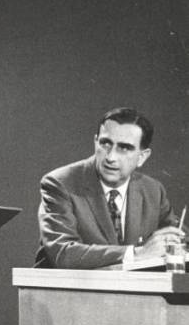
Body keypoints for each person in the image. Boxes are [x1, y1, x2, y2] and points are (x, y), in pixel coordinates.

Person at [36, 106, 185, 269]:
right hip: (67, 292)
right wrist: (136, 254)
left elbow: (178, 237)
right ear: (95, 142)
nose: (111, 157)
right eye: (105, 143)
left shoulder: (153, 190)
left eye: (124, 147)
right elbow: (63, 253)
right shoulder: (60, 183)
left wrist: (175, 242)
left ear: (142, 157)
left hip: (134, 292)